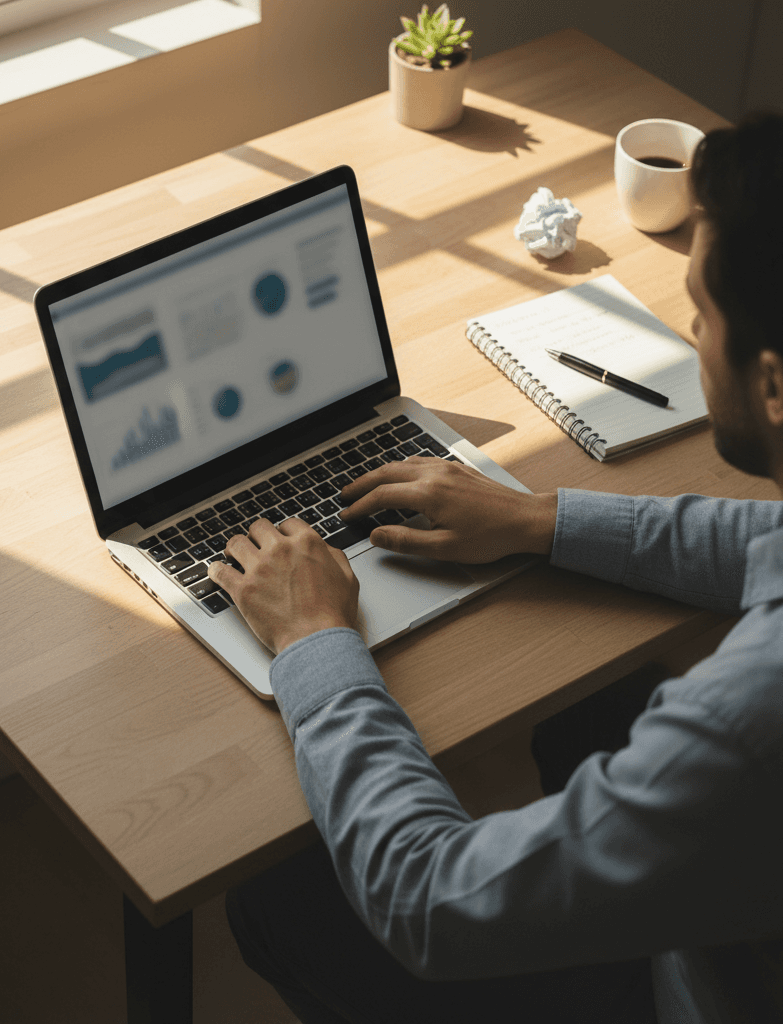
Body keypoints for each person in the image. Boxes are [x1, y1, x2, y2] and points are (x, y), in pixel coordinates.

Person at [207, 112, 783, 1024]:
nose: (691, 326)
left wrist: (315, 642)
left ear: (773, 384)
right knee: (591, 703)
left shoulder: (748, 721)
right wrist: (535, 518)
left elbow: (426, 901)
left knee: (278, 901)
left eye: (701, 312)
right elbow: (769, 545)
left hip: (697, 994)